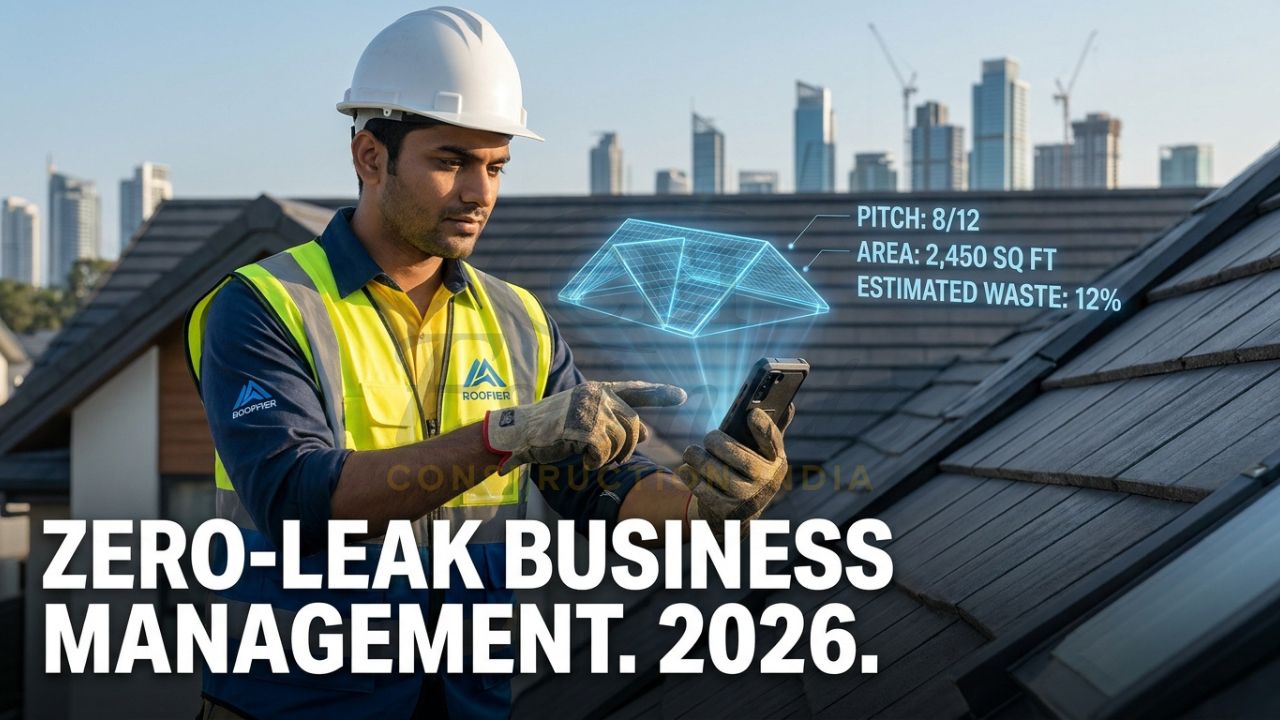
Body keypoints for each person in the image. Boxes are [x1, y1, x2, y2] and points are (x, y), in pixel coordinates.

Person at [186, 7, 794, 718]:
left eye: (496, 166)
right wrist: (505, 436)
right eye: (451, 162)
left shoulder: (519, 320)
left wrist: (705, 508)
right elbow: (295, 500)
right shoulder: (263, 305)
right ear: (370, 157)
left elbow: (596, 487)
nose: (479, 193)